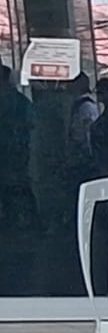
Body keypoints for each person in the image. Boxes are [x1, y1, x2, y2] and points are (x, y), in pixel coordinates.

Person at [0, 64, 37, 230]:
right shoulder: (21, 101)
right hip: (17, 151)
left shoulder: (18, 101)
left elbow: (31, 124)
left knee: (15, 187)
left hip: (14, 151)